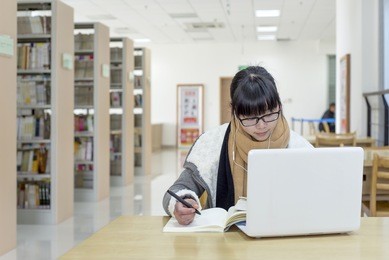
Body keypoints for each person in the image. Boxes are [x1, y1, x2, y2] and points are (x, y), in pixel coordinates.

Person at [162, 66, 313, 225]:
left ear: (279, 106)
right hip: (226, 242)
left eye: (269, 114)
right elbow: (177, 190)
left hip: (285, 234)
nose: (261, 125)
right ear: (234, 112)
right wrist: (182, 203)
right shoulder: (212, 142)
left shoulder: (299, 147)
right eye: (249, 117)